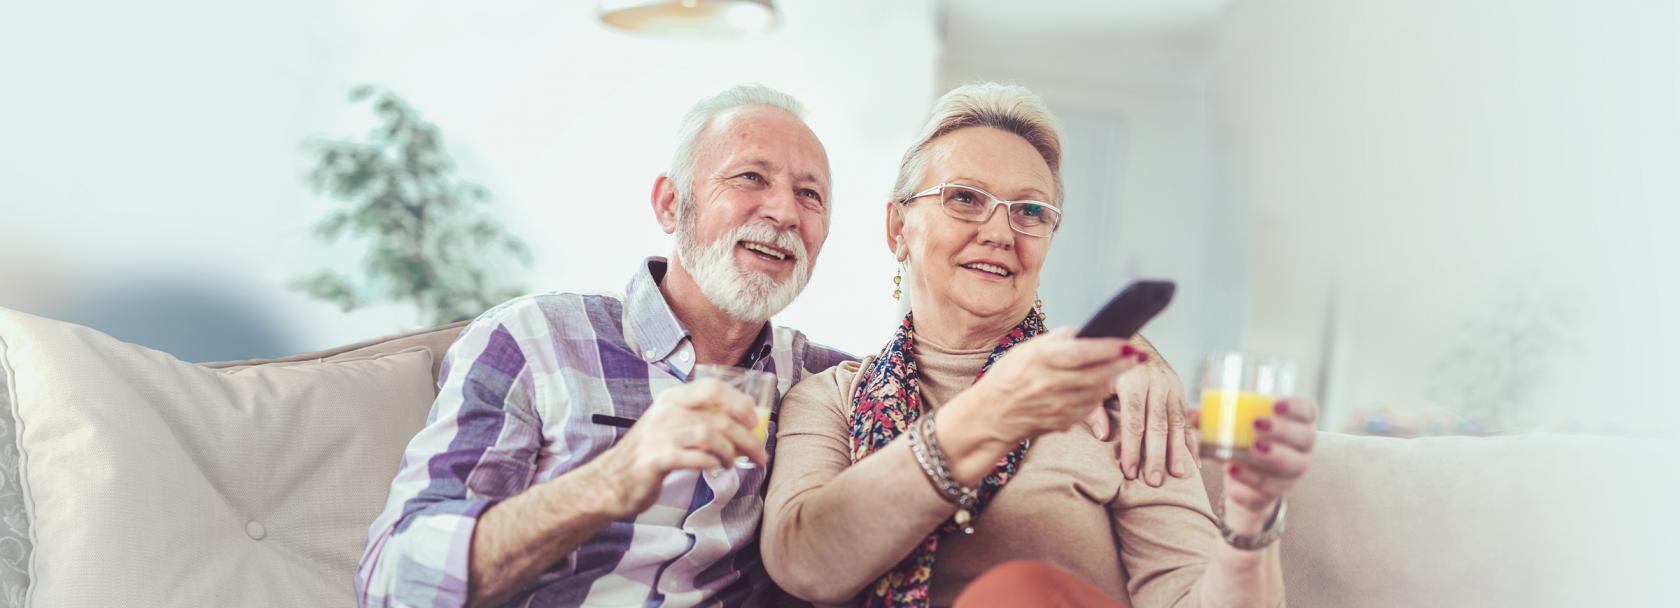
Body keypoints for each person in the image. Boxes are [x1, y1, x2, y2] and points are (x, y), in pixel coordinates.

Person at [357, 83, 1194, 608]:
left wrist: (1136, 359)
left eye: (809, 195)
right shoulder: (534, 340)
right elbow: (395, 582)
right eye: (749, 178)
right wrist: (613, 478)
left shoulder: (819, 385)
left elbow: (946, 383)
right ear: (669, 203)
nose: (784, 213)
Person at [762, 83, 1320, 607]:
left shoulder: (1118, 396)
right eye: (965, 198)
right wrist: (997, 412)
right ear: (897, 228)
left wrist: (1251, 525)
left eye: (1031, 211)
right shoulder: (828, 398)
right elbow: (804, 561)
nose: (1001, 233)